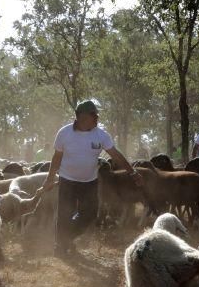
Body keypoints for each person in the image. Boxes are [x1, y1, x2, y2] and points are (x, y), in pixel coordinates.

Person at [41, 100, 142, 256]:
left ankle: (66, 238)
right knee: (64, 214)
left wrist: (132, 172)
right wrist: (49, 178)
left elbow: (115, 155)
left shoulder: (101, 135)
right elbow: (56, 157)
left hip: (89, 182)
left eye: (97, 115)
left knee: (90, 214)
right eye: (93, 115)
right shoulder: (64, 133)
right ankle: (60, 247)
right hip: (67, 180)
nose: (97, 118)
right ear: (82, 116)